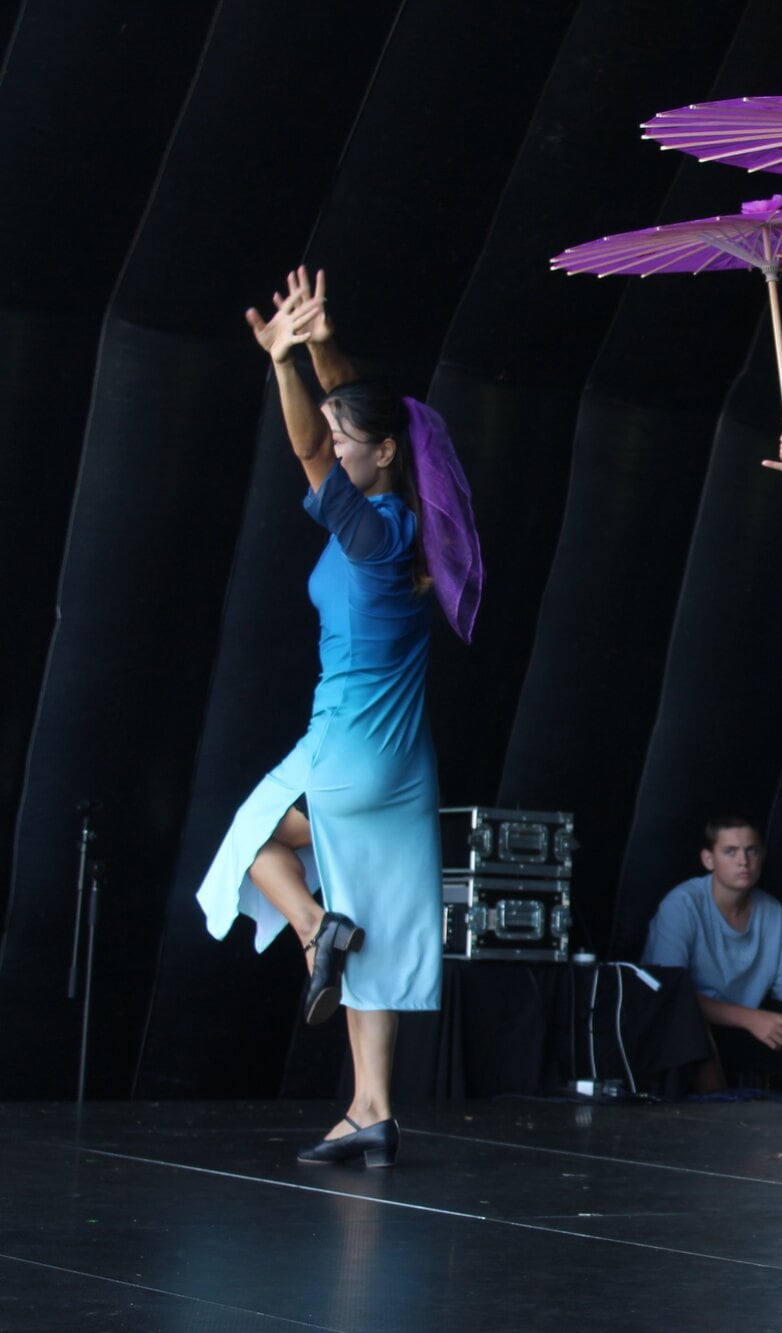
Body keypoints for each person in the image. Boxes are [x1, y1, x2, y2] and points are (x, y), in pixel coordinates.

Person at [196, 267, 482, 1169]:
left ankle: (318, 931)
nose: (331, 438)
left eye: (343, 437)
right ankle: (373, 1108)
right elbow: (360, 413)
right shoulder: (406, 532)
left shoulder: (373, 533)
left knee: (249, 840)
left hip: (347, 747)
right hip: (402, 763)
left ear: (384, 456)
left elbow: (319, 451)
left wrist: (283, 364)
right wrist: (322, 345)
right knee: (384, 926)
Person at [641, 814, 782, 1092]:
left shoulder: (774, 914)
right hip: (698, 1029)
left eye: (751, 850)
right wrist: (751, 1019)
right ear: (709, 859)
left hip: (753, 1028)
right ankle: (720, 1119)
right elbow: (669, 995)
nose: (743, 861)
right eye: (730, 852)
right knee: (692, 1028)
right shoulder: (681, 906)